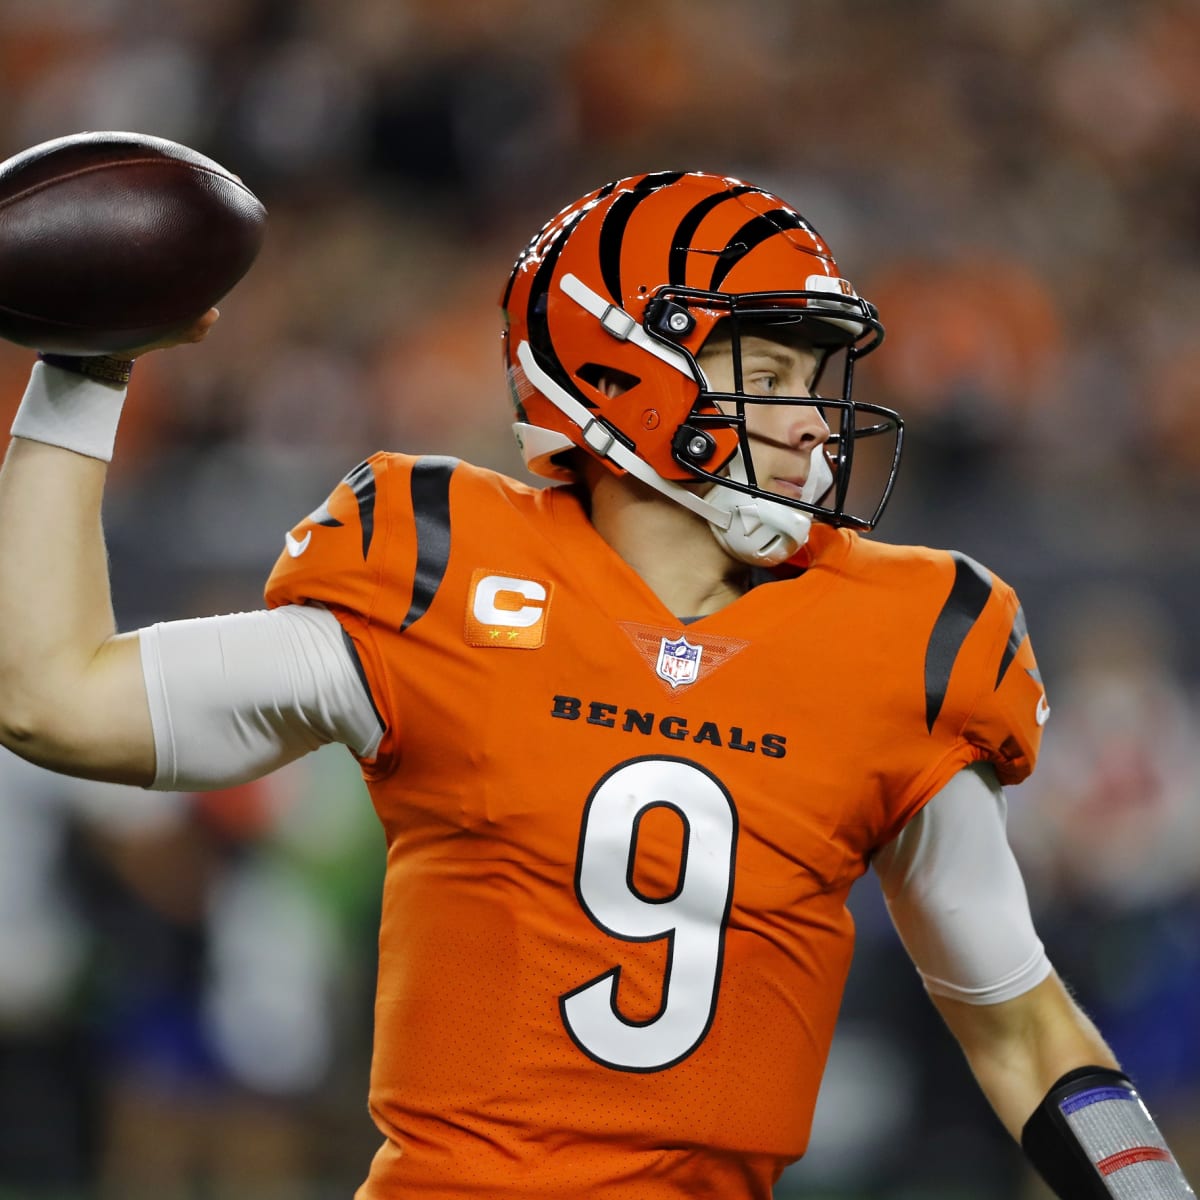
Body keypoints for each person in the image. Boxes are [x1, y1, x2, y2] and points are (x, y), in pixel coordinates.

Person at [0, 169, 1192, 1200]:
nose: (811, 424)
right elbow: (52, 698)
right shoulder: (440, 571)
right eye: (767, 371)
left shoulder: (905, 637)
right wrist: (84, 373)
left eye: (812, 374)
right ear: (621, 376)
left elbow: (1027, 1033)